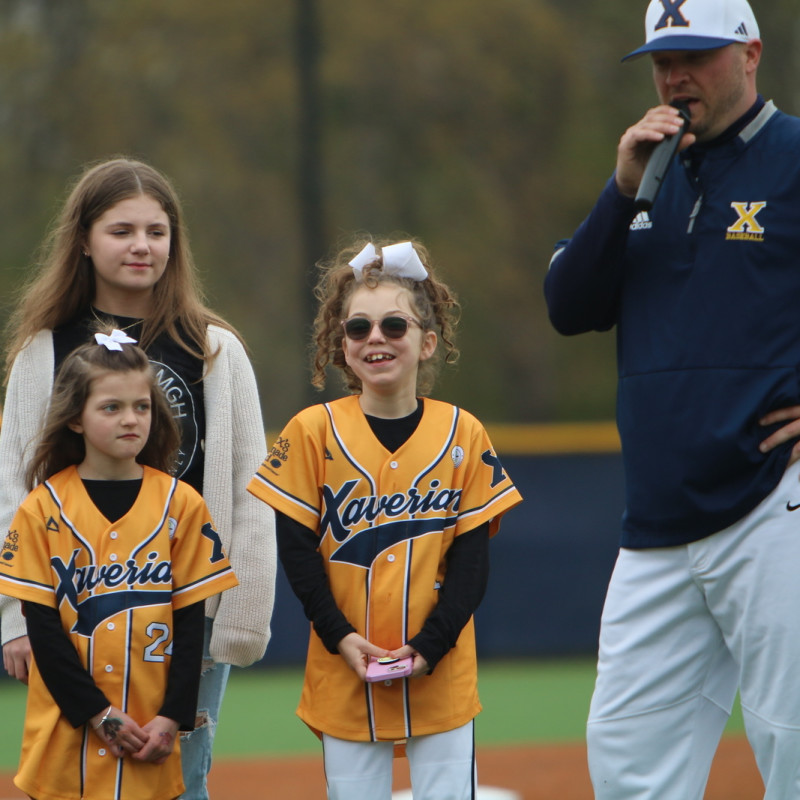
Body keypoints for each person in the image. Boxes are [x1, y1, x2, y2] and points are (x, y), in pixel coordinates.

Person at [544, 1, 800, 797]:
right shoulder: (646, 177)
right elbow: (568, 306)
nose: (675, 77)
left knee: (793, 744)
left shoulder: (794, 157)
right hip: (656, 521)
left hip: (776, 500)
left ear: (751, 52)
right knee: (626, 763)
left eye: (696, 56)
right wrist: (622, 189)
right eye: (662, 61)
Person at [0, 157, 276, 800]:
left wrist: (242, 614)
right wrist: (13, 616)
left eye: (156, 231)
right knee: (73, 778)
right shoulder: (44, 348)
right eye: (121, 230)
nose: (141, 246)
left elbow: (251, 488)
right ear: (84, 240)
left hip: (186, 612)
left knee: (179, 776)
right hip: (74, 610)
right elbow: (13, 484)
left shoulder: (214, 347)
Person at [247, 238, 523, 799]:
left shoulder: (464, 432)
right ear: (342, 346)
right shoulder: (311, 431)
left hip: (441, 671)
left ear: (427, 342)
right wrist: (340, 637)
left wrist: (433, 643)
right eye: (358, 327)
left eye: (394, 325)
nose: (375, 337)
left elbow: (472, 563)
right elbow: (298, 557)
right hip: (343, 669)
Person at [0, 331, 239, 800]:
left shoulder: (182, 504)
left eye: (142, 406)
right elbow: (44, 633)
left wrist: (173, 718)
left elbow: (191, 625)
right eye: (111, 407)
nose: (131, 418)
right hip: (65, 732)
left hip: (151, 731)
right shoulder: (41, 508)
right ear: (75, 418)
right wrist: (98, 713)